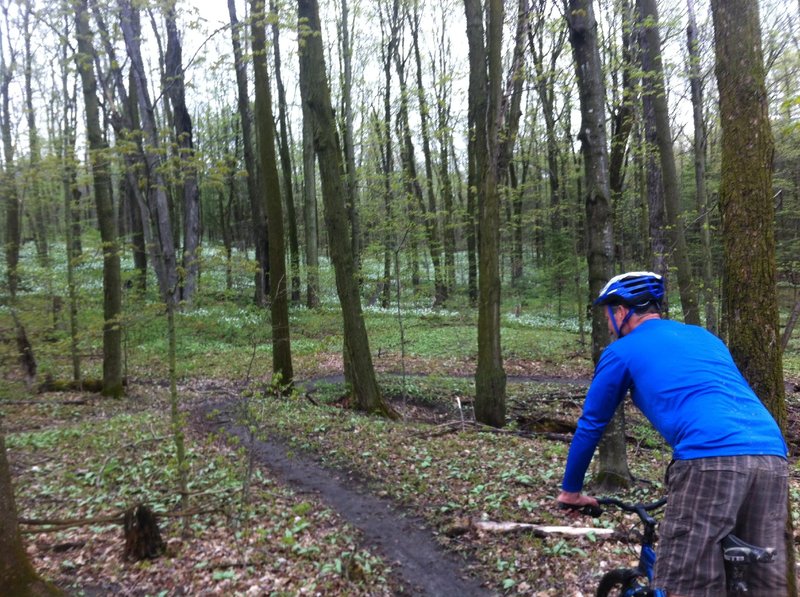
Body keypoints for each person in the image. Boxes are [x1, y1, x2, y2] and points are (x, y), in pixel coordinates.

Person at [557, 271, 789, 596]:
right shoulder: (704, 337)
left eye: (608, 316)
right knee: (759, 582)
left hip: (709, 456)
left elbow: (592, 423)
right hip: (772, 456)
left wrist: (570, 490)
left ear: (621, 311)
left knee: (686, 581)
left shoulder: (622, 351)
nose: (609, 325)